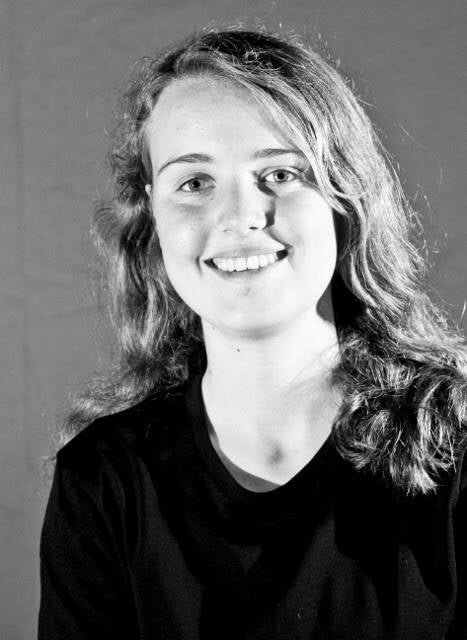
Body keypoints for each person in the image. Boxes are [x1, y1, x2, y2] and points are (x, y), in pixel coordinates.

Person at [38, 26, 466, 639]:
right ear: (152, 217)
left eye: (281, 173)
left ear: (344, 198)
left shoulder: (456, 446)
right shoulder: (103, 482)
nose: (240, 216)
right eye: (194, 183)